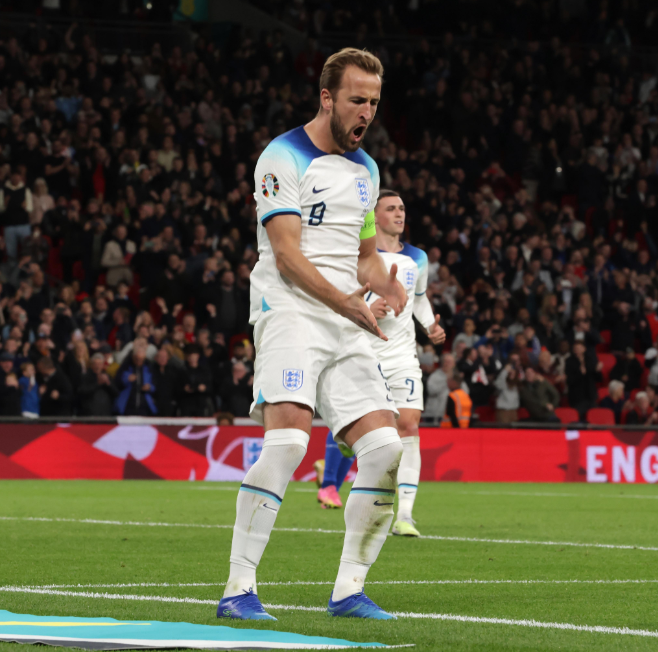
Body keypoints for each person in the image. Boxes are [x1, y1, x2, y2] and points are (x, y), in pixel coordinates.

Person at [218, 48, 407, 622]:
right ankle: (237, 590)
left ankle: (349, 591)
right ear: (327, 98)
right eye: (356, 100)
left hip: (344, 320)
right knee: (289, 443)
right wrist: (347, 302)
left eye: (374, 102)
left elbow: (364, 257)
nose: (366, 112)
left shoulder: (367, 171)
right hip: (291, 310)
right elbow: (287, 254)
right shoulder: (282, 156)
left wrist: (386, 284)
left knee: (385, 448)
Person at [316, 190, 446, 543]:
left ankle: (404, 515)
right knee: (368, 429)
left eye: (402, 208)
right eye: (390, 208)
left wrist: (430, 325)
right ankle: (341, 463)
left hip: (402, 355)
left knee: (409, 425)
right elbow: (336, 297)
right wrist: (366, 309)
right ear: (374, 216)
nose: (399, 213)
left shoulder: (417, 257)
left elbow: (418, 297)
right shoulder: (354, 254)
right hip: (362, 352)